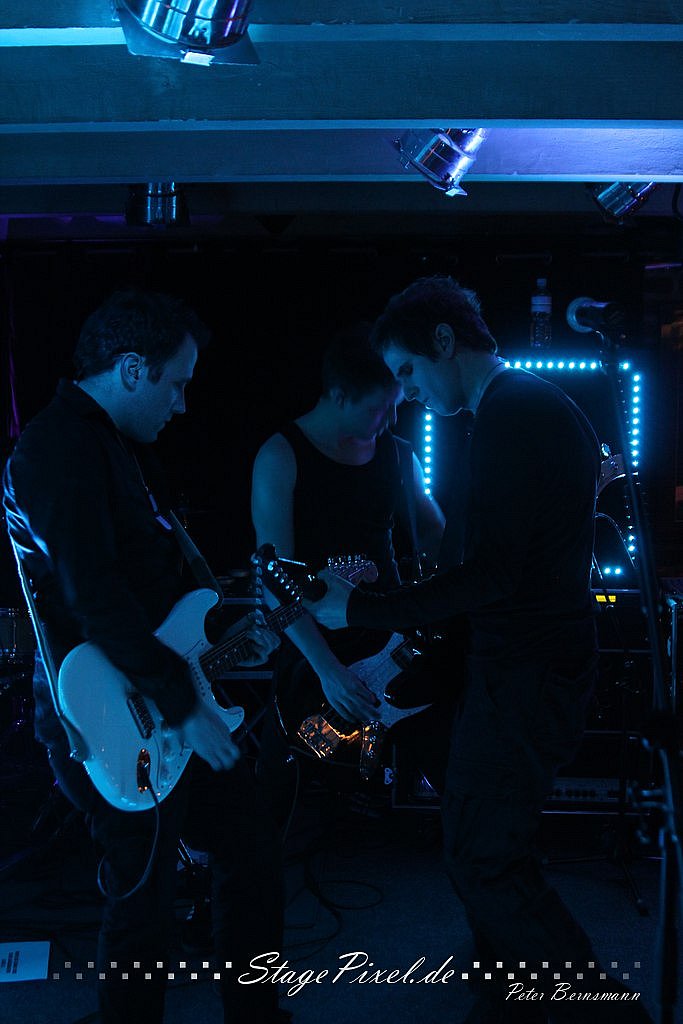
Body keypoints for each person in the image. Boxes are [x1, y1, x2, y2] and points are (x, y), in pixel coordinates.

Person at [305, 276, 654, 1024]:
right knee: (493, 852)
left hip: (526, 675)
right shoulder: (522, 408)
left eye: (407, 371)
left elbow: (493, 575)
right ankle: (509, 1003)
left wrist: (358, 606)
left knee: (483, 859)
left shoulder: (513, 414)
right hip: (527, 670)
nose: (406, 393)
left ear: (443, 341)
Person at [3, 290, 286, 1024]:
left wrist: (229, 637)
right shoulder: (58, 447)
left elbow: (154, 595)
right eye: (176, 383)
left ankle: (256, 1014)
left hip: (160, 696)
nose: (182, 404)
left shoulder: (121, 451)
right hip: (111, 713)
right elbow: (91, 595)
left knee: (249, 849)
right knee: (143, 898)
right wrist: (182, 702)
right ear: (132, 369)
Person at [251, 324, 445, 804]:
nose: (391, 419)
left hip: (391, 646)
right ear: (339, 396)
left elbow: (436, 534)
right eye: (380, 408)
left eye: (395, 405)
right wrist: (328, 669)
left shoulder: (398, 456)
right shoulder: (281, 456)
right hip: (311, 656)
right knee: (289, 795)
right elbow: (275, 579)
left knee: (418, 786)